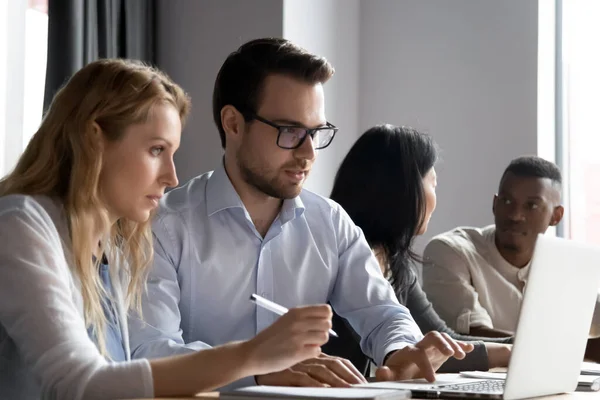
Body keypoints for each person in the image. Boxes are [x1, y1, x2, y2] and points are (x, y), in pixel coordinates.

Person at [128, 37, 474, 390]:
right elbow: (151, 352)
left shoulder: (330, 222)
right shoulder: (163, 226)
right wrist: (256, 372)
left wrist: (399, 349)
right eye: (290, 131)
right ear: (233, 123)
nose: (308, 153)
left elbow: (384, 313)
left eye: (316, 132)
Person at [0, 59, 335, 400]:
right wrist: (253, 356)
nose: (172, 177)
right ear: (94, 141)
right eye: (156, 150)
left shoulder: (111, 253)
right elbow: (82, 384)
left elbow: (127, 384)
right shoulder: (21, 224)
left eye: (171, 153)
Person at [321, 124, 512, 375]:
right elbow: (416, 353)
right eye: (433, 183)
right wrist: (510, 353)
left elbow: (438, 341)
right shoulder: (337, 259)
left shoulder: (396, 264)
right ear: (402, 189)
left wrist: (515, 349)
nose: (436, 197)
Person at [422, 155, 600, 361]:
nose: (515, 215)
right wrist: (576, 350)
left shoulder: (567, 264)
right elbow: (469, 339)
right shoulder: (451, 250)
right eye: (507, 201)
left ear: (556, 216)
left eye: (531, 206)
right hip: (472, 385)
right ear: (494, 204)